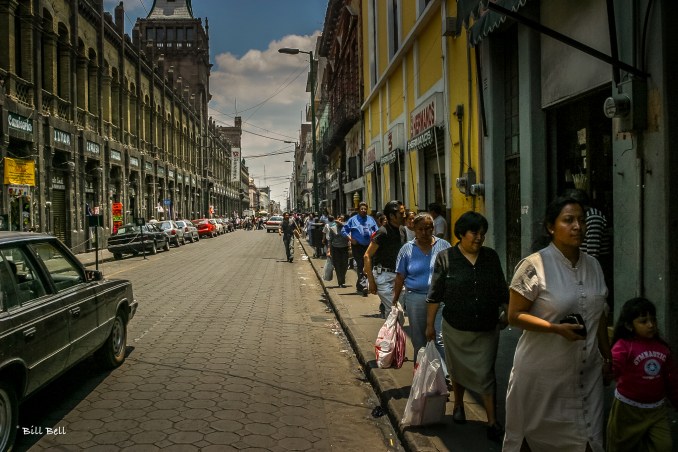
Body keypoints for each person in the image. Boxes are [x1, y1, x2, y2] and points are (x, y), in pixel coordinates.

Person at [503, 195, 611, 451]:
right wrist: (555, 329)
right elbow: (514, 315)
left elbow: (600, 314)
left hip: (588, 375)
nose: (578, 226)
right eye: (569, 220)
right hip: (542, 379)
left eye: (581, 220)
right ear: (551, 227)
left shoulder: (594, 265)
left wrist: (608, 357)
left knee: (588, 439)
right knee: (538, 439)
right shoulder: (533, 265)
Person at [426, 211, 508, 442]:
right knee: (457, 370)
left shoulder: (490, 257)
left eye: (483, 233)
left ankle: (492, 420)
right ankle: (459, 405)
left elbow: (501, 288)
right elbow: (435, 295)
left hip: (486, 327)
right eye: (474, 232)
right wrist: (429, 326)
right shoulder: (446, 257)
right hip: (455, 327)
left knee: (486, 373)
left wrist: (508, 312)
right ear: (461, 234)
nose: (479, 237)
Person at [606, 297, 678, 452]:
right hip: (627, 410)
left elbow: (671, 379)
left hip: (656, 410)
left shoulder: (662, 348)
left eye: (653, 320)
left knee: (664, 446)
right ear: (629, 325)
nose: (651, 325)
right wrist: (607, 369)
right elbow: (614, 368)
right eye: (643, 321)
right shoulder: (624, 346)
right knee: (620, 447)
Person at [392, 213, 450, 365]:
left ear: (433, 228)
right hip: (415, 299)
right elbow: (400, 276)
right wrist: (395, 300)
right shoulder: (407, 249)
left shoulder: (443, 246)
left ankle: (443, 376)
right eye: (420, 229)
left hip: (439, 299)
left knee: (438, 337)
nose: (424, 233)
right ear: (414, 229)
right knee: (419, 340)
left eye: (428, 228)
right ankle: (422, 374)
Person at [364, 200, 406, 316]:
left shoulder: (402, 230)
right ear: (392, 216)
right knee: (395, 312)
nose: (404, 215)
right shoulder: (382, 233)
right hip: (383, 277)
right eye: (401, 213)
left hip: (398, 277)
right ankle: (391, 334)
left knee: (396, 314)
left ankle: (389, 334)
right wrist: (371, 281)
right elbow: (367, 256)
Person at [342, 202, 379, 296]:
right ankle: (363, 285)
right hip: (357, 246)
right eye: (361, 209)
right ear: (358, 210)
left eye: (365, 209)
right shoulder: (352, 220)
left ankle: (360, 284)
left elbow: (376, 231)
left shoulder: (371, 219)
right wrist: (351, 239)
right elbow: (344, 231)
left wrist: (374, 238)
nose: (363, 210)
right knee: (360, 264)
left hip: (369, 246)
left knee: (369, 264)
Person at [327, 215, 351, 288]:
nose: (340, 221)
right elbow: (330, 240)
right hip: (335, 248)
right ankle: (340, 282)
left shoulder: (346, 227)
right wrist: (329, 250)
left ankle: (342, 279)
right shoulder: (332, 228)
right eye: (339, 219)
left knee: (345, 265)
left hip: (344, 248)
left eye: (342, 219)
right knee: (337, 265)